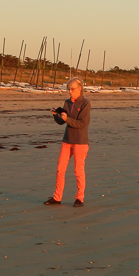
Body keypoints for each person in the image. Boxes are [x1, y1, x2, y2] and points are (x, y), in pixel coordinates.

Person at [44, 77, 91, 207]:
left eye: (72, 89)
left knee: (78, 171)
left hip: (80, 142)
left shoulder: (85, 104)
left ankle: (79, 198)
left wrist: (67, 119)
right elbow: (62, 122)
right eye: (68, 89)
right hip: (67, 140)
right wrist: (56, 115)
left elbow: (82, 123)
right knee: (60, 169)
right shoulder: (67, 103)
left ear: (79, 89)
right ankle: (57, 197)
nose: (70, 92)